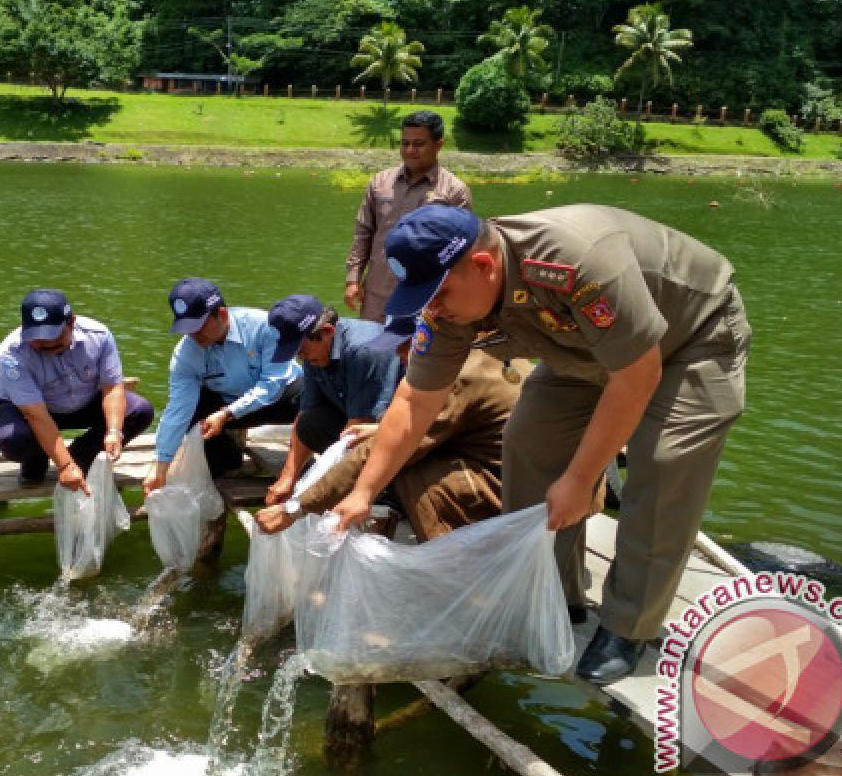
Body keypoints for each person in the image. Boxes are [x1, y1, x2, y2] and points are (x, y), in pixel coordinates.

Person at [333, 204, 750, 686]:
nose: (434, 308)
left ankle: (627, 626)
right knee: (529, 440)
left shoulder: (576, 264)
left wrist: (578, 479)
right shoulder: (450, 304)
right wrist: (363, 491)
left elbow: (637, 374)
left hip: (690, 339)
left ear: (484, 266)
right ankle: (553, 595)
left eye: (439, 293)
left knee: (663, 465)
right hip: (587, 350)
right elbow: (414, 402)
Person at [257, 344, 531, 543]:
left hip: (512, 495)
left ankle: (453, 555)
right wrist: (381, 428)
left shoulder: (455, 376)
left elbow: (390, 448)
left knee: (403, 466)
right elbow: (455, 420)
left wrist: (295, 508)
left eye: (403, 350)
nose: (400, 359)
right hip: (523, 476)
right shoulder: (485, 351)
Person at [142, 278, 303, 494]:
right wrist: (159, 465)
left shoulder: (264, 326)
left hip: (281, 397)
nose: (193, 335)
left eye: (199, 327)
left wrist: (227, 413)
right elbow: (178, 409)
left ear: (223, 315)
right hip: (228, 408)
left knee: (312, 396)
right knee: (192, 409)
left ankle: (306, 466)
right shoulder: (186, 354)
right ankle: (225, 463)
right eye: (187, 329)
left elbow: (272, 384)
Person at [0, 288, 153, 492]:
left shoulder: (99, 335)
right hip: (30, 411)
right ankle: (37, 459)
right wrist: (64, 465)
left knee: (139, 410)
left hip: (83, 401)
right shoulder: (11, 353)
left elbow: (112, 387)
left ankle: (81, 455)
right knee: (13, 440)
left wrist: (114, 432)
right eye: (38, 337)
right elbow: (35, 415)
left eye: (54, 335)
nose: (47, 343)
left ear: (72, 322)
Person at [263, 295, 403, 505]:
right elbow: (305, 413)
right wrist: (288, 478)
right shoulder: (314, 352)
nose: (302, 359)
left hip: (391, 429)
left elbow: (359, 427)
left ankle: (381, 487)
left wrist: (317, 495)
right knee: (309, 424)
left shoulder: (362, 351)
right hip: (354, 419)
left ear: (327, 332)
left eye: (302, 351)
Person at [344, 110, 472, 323]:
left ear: (439, 145)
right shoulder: (379, 183)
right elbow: (363, 234)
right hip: (377, 296)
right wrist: (352, 279)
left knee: (415, 355)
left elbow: (461, 254)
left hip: (425, 299)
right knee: (372, 353)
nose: (410, 150)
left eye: (419, 144)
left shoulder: (454, 192)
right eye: (405, 143)